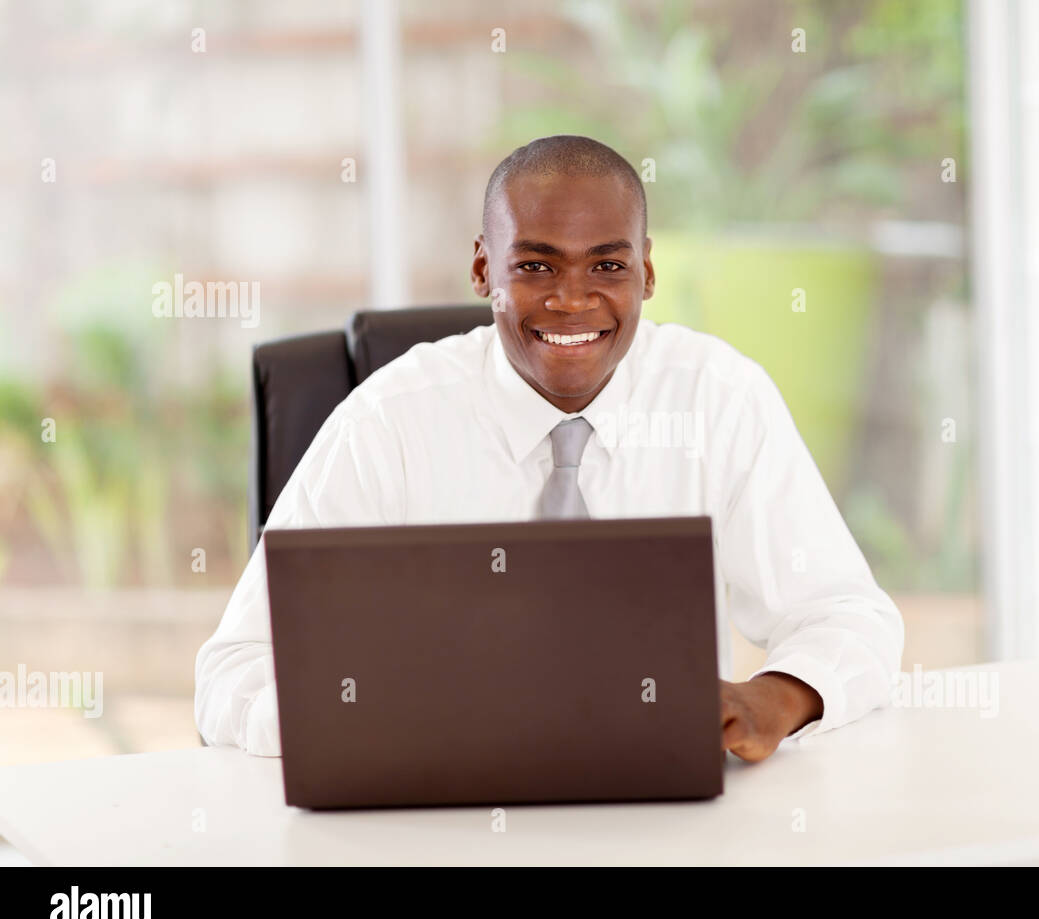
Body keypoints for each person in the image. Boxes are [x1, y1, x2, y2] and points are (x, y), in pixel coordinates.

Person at [195, 134, 904, 763]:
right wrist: (368, 722)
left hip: (665, 821)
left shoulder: (719, 399)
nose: (572, 300)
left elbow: (849, 615)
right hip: (438, 819)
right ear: (483, 270)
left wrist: (774, 698)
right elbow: (235, 668)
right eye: (535, 267)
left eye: (607, 267)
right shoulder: (388, 422)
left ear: (647, 274)